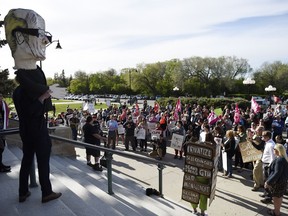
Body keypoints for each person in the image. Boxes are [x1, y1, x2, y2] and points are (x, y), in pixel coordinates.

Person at [4, 8, 61, 203]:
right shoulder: (26, 87)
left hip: (27, 131)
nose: (45, 41)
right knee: (42, 161)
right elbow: (30, 112)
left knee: (27, 160)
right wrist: (43, 97)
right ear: (19, 38)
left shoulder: (23, 85)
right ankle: (46, 192)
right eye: (40, 34)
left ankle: (23, 191)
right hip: (36, 129)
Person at [265, 144, 288, 216]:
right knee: (279, 197)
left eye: (274, 149)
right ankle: (276, 210)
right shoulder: (283, 158)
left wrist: (268, 182)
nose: (273, 150)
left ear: (278, 150)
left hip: (278, 183)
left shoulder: (279, 160)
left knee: (276, 198)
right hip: (282, 182)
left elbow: (277, 173)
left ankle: (276, 213)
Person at [259, 130, 276, 204]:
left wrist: (269, 166)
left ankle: (268, 197)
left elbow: (273, 157)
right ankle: (266, 193)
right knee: (265, 180)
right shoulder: (267, 143)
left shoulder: (271, 145)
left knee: (268, 181)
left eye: (263, 136)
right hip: (264, 163)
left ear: (268, 137)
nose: (262, 137)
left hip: (267, 164)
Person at [0, 93, 11, 172]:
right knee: (1, 147)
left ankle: (1, 165)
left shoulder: (2, 103)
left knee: (1, 147)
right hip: (1, 128)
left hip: (2, 128)